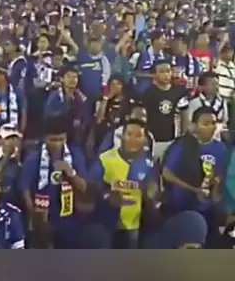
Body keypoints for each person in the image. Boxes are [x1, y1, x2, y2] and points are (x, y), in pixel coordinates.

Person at [20, 115, 108, 249]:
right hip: (43, 218)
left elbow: (83, 187)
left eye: (61, 139)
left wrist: (70, 172)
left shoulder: (75, 154)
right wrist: (35, 217)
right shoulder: (33, 158)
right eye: (53, 140)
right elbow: (25, 189)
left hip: (68, 218)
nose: (57, 144)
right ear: (45, 138)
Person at [161, 107, 229, 245]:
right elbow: (167, 173)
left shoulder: (221, 149)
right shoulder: (183, 145)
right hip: (179, 206)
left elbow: (221, 176)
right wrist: (193, 189)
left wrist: (215, 183)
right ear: (194, 126)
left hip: (206, 208)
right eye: (205, 123)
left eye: (213, 123)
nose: (211, 127)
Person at [90, 119, 158, 249]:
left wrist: (150, 192)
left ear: (145, 140)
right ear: (122, 137)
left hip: (132, 226)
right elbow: (91, 185)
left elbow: (153, 187)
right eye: (129, 134)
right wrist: (107, 195)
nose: (133, 139)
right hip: (106, 223)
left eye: (138, 135)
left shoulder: (148, 163)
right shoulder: (105, 159)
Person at [139, 59, 189, 163]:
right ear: (154, 74)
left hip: (173, 140)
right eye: (161, 71)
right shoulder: (147, 94)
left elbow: (184, 116)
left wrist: (183, 137)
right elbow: (142, 117)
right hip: (152, 140)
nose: (166, 75)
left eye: (168, 71)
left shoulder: (179, 93)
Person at [188, 71, 228, 140]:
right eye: (212, 84)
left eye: (217, 84)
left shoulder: (222, 102)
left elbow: (225, 122)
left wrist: (219, 127)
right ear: (203, 86)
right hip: (198, 140)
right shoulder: (194, 102)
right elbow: (189, 124)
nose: (216, 87)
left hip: (216, 139)